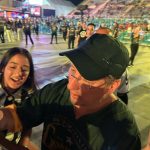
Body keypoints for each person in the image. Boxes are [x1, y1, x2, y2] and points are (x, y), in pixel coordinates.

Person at [0, 34, 141, 150]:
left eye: (87, 80)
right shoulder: (56, 91)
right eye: (73, 71)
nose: (71, 86)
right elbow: (19, 114)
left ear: (112, 86)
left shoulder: (122, 132)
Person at [0, 47, 38, 150]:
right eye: (13, 67)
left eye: (24, 69)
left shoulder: (29, 93)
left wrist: (23, 143)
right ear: (3, 68)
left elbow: (28, 123)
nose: (18, 74)